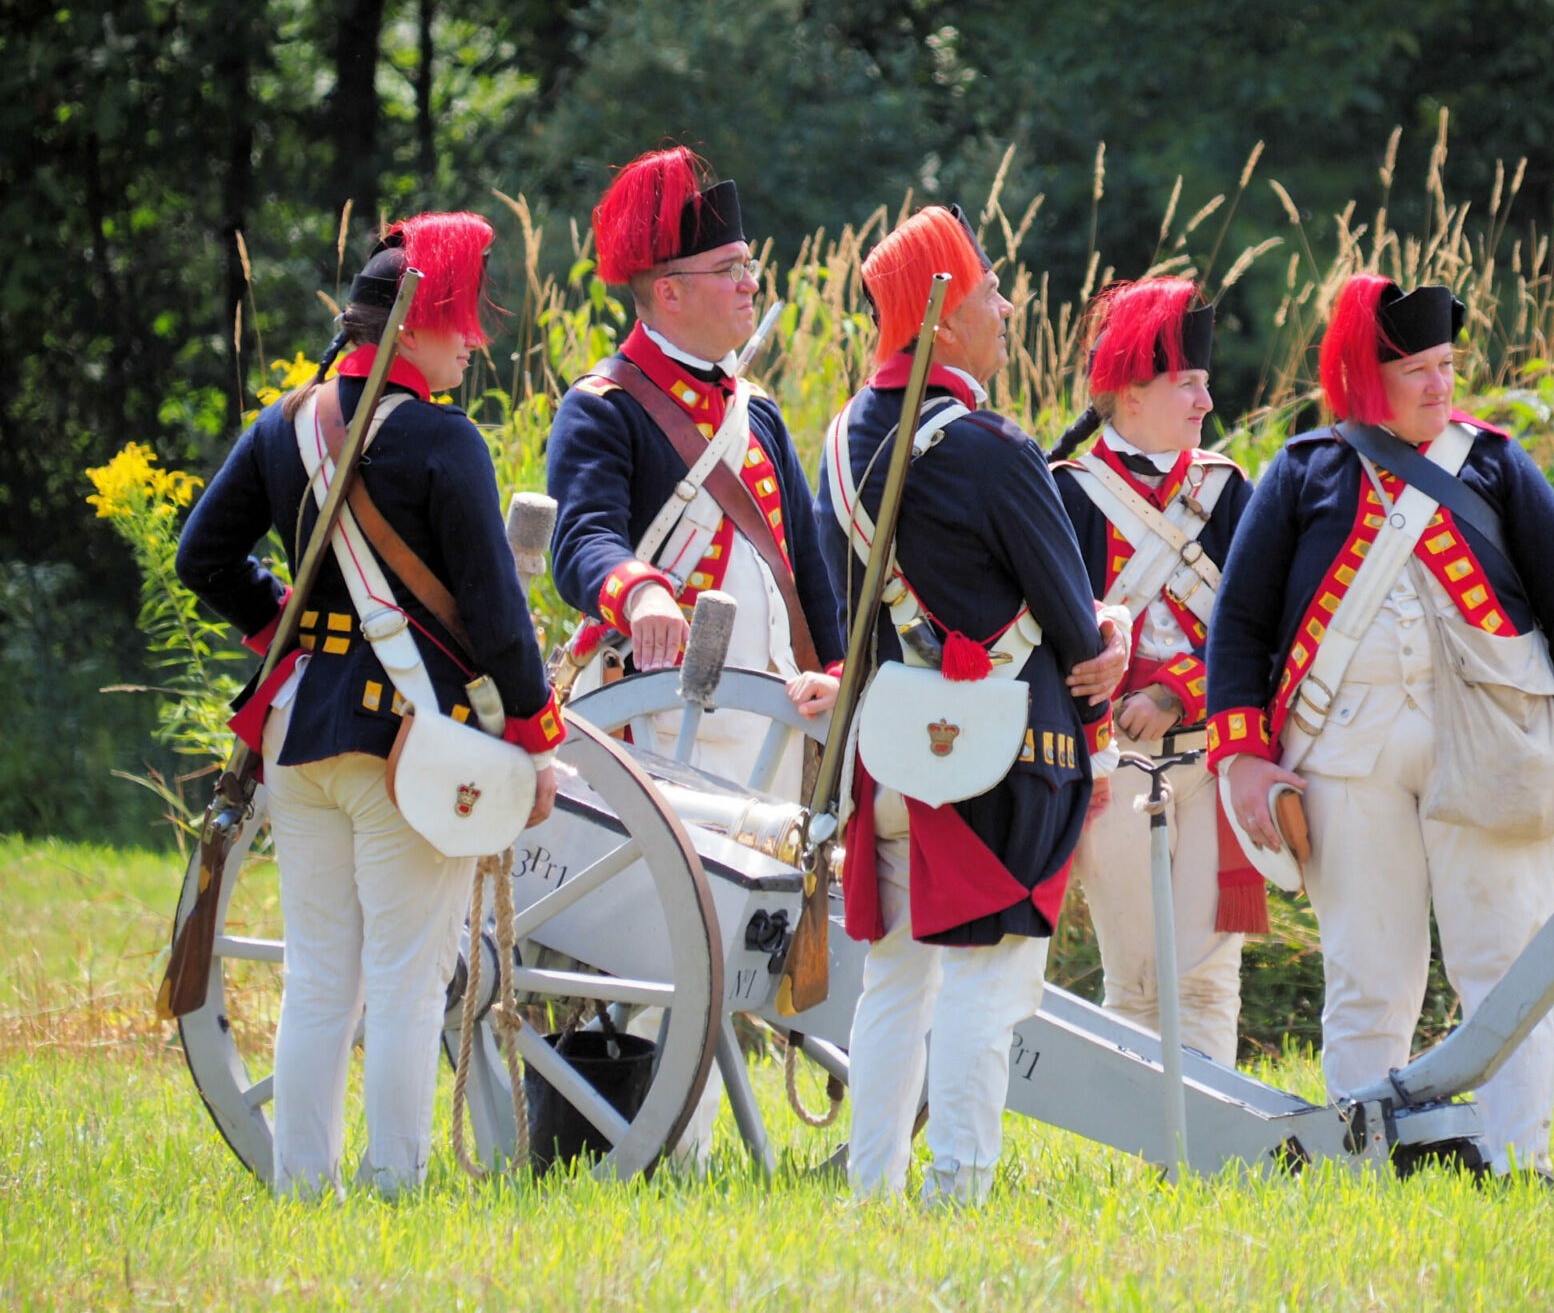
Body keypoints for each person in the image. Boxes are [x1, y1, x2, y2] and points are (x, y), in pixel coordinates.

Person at [1204, 275, 1554, 1181]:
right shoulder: (1304, 470)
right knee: (1368, 976)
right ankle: (1365, 1163)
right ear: (1369, 375)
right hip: (1343, 758)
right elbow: (1238, 627)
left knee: (1509, 964)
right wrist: (1242, 757)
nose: (1442, 386)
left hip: (1495, 750)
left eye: (1448, 366)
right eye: (1419, 370)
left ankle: (1523, 1163)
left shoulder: (1496, 465)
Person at [176, 213, 567, 1197]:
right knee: (405, 978)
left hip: (302, 736)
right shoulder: (443, 443)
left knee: (319, 977)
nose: (472, 343)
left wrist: (284, 632)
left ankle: (303, 1188)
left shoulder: (285, 424)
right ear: (423, 321)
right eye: (461, 321)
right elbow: (498, 617)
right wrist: (534, 739)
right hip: (412, 743)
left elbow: (203, 558)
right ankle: (395, 1185)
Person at [818, 205, 1132, 1204]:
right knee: (986, 984)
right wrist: (1111, 634)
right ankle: (957, 1186)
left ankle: (873, 1187)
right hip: (1003, 750)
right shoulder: (991, 448)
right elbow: (1072, 629)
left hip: (891, 752)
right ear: (943, 315)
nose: (1006, 306)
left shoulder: (836, 446)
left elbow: (846, 615)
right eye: (990, 290)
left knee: (895, 978)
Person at [547, 144, 844, 788]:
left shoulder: (755, 411)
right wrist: (642, 589)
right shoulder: (604, 408)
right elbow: (581, 540)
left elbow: (808, 570)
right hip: (662, 727)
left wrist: (839, 668)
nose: (751, 282)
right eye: (730, 268)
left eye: (748, 264)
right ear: (670, 292)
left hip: (774, 724)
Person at [1046, 277, 1260, 1065]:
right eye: (1188, 384)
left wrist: (1180, 692)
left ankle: (1206, 1155)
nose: (1205, 401)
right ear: (1130, 393)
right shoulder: (1066, 495)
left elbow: (1261, 628)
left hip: (1210, 754)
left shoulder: (1227, 490)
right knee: (1136, 980)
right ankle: (1149, 1154)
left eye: (1204, 383)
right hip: (1110, 760)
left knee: (1209, 977)